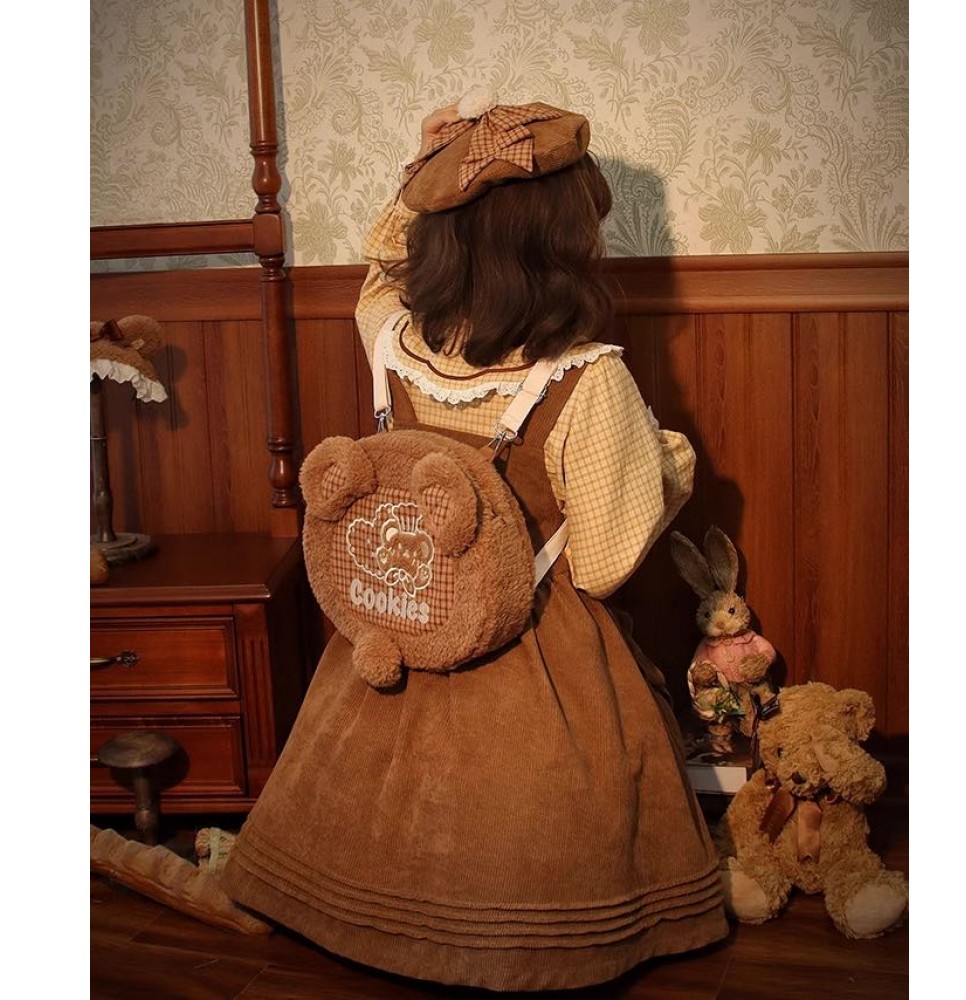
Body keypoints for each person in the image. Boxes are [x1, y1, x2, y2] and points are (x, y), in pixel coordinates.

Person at [221, 96, 729, 991]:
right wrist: (671, 465)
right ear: (563, 244)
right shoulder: (587, 378)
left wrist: (421, 177)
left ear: (444, 236)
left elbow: (380, 275)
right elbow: (603, 563)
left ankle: (353, 910)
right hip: (534, 638)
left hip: (403, 612)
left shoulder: (394, 340)